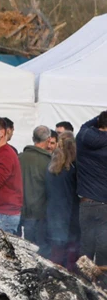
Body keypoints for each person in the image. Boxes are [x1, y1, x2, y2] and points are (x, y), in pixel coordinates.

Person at [76, 111, 107, 267]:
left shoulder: (82, 138)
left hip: (86, 202)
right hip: (104, 205)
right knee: (104, 249)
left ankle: (84, 285)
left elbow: (84, 125)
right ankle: (102, 287)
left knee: (86, 248)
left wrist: (97, 119)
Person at [48, 131, 79, 269]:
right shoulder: (74, 168)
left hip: (53, 212)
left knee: (56, 250)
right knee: (71, 251)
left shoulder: (51, 167)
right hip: (70, 213)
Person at [20, 125, 53, 256]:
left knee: (27, 251)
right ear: (49, 139)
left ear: (33, 138)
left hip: (22, 211)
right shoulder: (48, 162)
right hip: (41, 214)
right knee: (41, 252)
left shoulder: (20, 157)